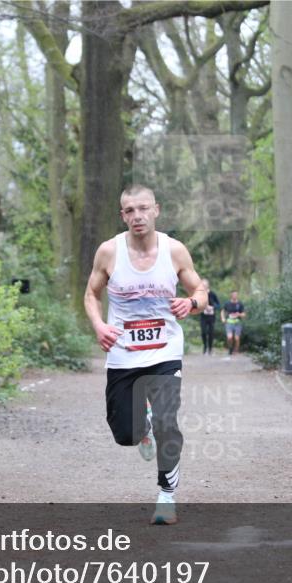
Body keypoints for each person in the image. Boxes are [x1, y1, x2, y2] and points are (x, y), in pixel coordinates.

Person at [84, 184, 207, 525]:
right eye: (130, 211)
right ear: (122, 215)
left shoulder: (175, 250)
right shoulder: (108, 252)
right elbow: (91, 295)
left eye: (143, 208)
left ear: (156, 210)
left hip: (165, 350)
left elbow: (200, 290)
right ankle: (142, 429)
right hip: (123, 354)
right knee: (124, 433)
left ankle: (166, 497)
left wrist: (192, 302)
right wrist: (98, 326)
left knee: (169, 421)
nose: (137, 216)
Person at [198, 279, 221, 355]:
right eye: (202, 284)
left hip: (211, 316)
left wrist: (212, 307)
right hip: (203, 316)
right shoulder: (199, 294)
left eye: (205, 285)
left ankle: (210, 349)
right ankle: (205, 347)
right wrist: (202, 307)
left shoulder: (212, 294)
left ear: (208, 285)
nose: (204, 286)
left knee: (211, 333)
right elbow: (196, 304)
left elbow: (219, 305)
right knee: (203, 332)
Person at [221, 290, 246, 356]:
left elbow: (244, 314)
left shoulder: (240, 304)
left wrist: (239, 314)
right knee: (229, 337)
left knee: (237, 338)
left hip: (237, 323)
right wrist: (223, 318)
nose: (235, 296)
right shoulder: (227, 303)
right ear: (231, 295)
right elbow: (222, 311)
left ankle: (236, 350)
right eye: (233, 294)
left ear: (237, 295)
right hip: (229, 322)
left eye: (236, 294)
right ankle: (230, 348)